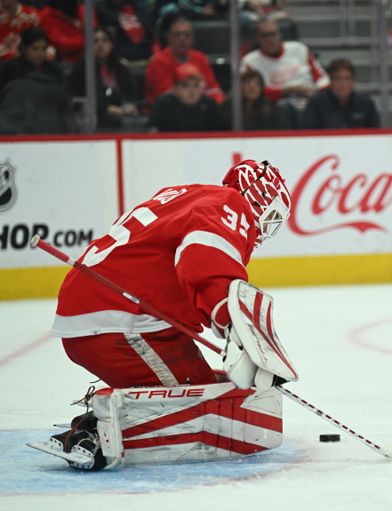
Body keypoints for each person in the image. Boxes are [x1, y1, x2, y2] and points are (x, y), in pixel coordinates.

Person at [46, 158, 293, 469]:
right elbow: (204, 260)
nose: (265, 229)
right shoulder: (231, 204)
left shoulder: (185, 193)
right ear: (259, 200)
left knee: (203, 381)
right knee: (204, 405)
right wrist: (233, 322)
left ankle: (103, 419)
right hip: (120, 322)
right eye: (270, 218)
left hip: (104, 312)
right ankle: (97, 432)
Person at [239, 17, 328, 126]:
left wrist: (318, 91)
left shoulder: (298, 49)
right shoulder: (250, 61)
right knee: (285, 107)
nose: (269, 39)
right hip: (274, 106)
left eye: (273, 34)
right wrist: (285, 90)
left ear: (280, 35)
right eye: (264, 35)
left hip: (309, 99)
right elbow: (248, 92)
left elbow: (322, 78)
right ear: (257, 38)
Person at [0, 26, 72, 133]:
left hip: (49, 127)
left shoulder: (54, 71)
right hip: (14, 127)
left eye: (43, 49)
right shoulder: (9, 69)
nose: (40, 53)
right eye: (35, 48)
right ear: (23, 48)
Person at [67, 26, 137, 130]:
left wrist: (129, 106)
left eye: (104, 40)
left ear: (111, 45)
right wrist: (107, 109)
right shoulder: (82, 70)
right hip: (95, 116)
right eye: (96, 41)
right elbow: (81, 97)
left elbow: (129, 92)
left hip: (121, 113)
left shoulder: (119, 68)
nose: (100, 45)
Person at [144, 15, 224, 105]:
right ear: (169, 38)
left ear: (192, 38)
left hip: (201, 111)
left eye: (187, 35)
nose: (182, 39)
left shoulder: (200, 57)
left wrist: (218, 104)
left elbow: (214, 89)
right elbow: (169, 97)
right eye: (177, 34)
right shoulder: (158, 62)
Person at [301, 58, 380, 129]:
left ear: (353, 81)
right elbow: (308, 134)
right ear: (330, 80)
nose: (342, 84)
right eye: (337, 78)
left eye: (347, 78)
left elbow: (375, 134)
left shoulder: (366, 103)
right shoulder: (316, 104)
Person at [148, 61, 223, 131]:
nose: (192, 91)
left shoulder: (209, 104)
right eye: (185, 86)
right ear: (175, 89)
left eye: (196, 85)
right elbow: (152, 134)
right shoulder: (164, 105)